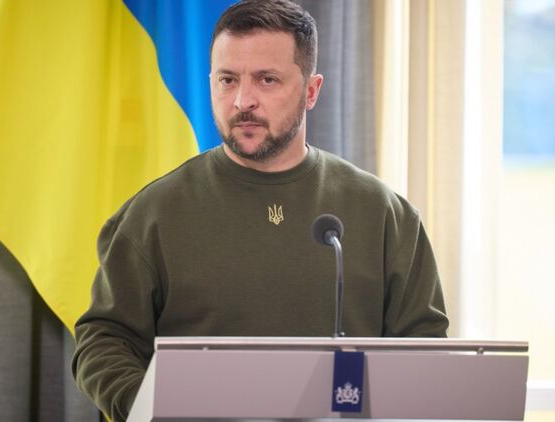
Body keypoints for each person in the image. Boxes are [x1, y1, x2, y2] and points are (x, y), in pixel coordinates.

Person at [72, 0, 448, 420]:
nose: (242, 101)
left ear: (311, 91)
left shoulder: (385, 215)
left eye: (267, 80)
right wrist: (148, 408)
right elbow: (104, 341)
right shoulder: (153, 213)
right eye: (227, 80)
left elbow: (424, 350)